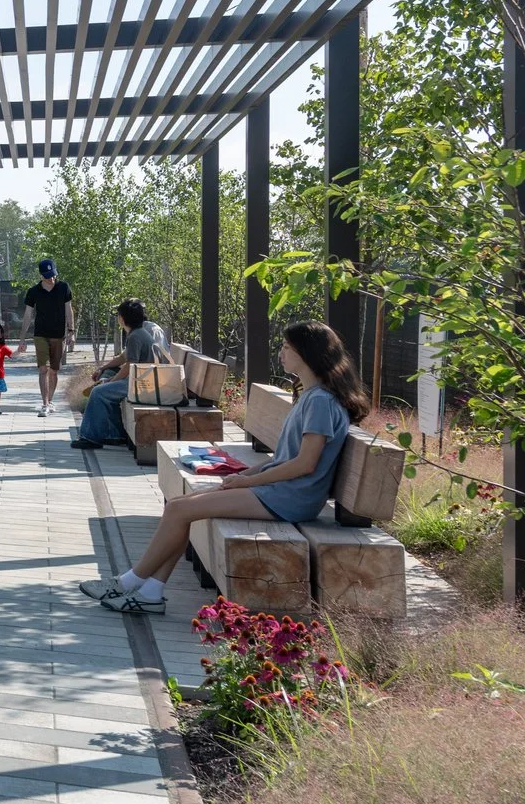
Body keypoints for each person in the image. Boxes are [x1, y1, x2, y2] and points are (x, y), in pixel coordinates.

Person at [83, 321, 369, 615]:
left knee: (179, 510)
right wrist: (244, 475)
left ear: (307, 353)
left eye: (287, 347)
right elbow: (286, 458)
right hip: (281, 491)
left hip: (290, 498)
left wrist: (249, 483)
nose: (281, 353)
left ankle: (128, 582)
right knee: (180, 507)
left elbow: (305, 464)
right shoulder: (312, 395)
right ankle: (151, 592)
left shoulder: (320, 402)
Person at [73, 298, 171, 448]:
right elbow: (123, 358)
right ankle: (115, 434)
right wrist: (103, 368)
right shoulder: (139, 333)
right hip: (140, 380)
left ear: (122, 318)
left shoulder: (135, 336)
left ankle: (90, 437)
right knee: (105, 383)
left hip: (140, 384)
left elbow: (129, 365)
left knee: (98, 392)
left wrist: (111, 381)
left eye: (119, 315)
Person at [19, 259, 75, 417]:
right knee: (43, 368)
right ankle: (44, 404)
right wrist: (22, 338)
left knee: (54, 371)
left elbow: (69, 310)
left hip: (58, 335)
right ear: (41, 275)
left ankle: (50, 401)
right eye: (48, 276)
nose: (51, 278)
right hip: (40, 334)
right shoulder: (33, 291)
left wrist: (71, 331)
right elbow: (28, 315)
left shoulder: (64, 287)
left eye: (53, 275)